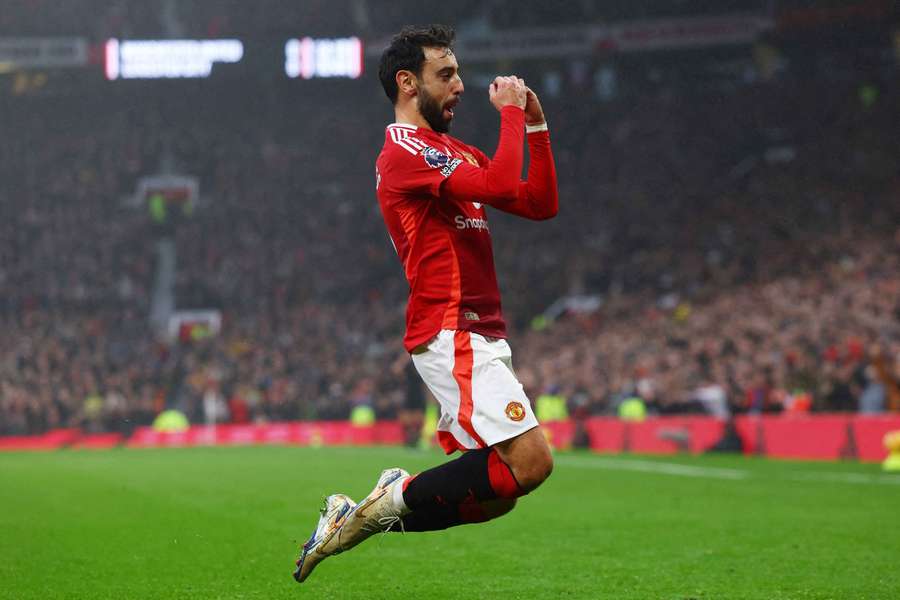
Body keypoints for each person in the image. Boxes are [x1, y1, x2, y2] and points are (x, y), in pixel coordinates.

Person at [294, 23, 559, 583]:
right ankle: (391, 497)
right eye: (448, 74)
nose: (461, 85)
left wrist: (535, 123)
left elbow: (537, 203)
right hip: (449, 325)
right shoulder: (404, 150)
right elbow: (502, 180)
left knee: (497, 495)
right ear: (408, 83)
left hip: (482, 330)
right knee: (531, 462)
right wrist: (510, 112)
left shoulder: (450, 148)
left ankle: (363, 516)